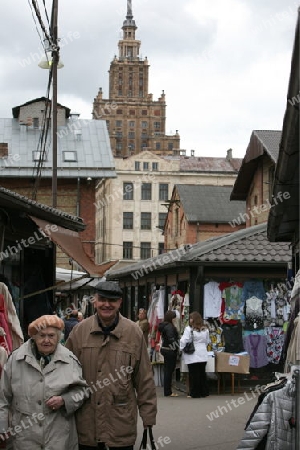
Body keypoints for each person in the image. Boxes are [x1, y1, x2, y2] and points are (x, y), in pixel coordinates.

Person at [65, 280, 157, 450]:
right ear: (95, 301)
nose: (107, 304)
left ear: (119, 302)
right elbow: (64, 373)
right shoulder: (80, 331)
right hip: (87, 424)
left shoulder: (133, 333)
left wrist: (148, 418)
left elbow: (144, 378)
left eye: (112, 300)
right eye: (102, 300)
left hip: (120, 424)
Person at [0, 314, 90, 450]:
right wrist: (2, 429)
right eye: (42, 335)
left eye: (51, 336)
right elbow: (3, 399)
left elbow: (83, 391)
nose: (46, 340)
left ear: (59, 337)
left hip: (59, 438)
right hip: (24, 439)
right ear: (34, 337)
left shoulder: (69, 360)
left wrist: (64, 400)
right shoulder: (16, 360)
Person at [180, 311, 210, 398]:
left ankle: (195, 393)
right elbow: (207, 341)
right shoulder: (205, 329)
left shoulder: (189, 329)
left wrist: (181, 348)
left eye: (191, 318)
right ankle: (204, 392)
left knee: (194, 375)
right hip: (203, 353)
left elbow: (184, 340)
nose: (190, 320)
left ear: (193, 319)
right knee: (202, 374)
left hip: (192, 354)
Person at [158, 310, 179, 397]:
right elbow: (171, 338)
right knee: (169, 370)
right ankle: (168, 391)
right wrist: (176, 347)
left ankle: (167, 390)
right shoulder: (170, 327)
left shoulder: (164, 326)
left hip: (165, 348)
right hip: (170, 350)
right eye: (174, 318)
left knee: (167, 370)